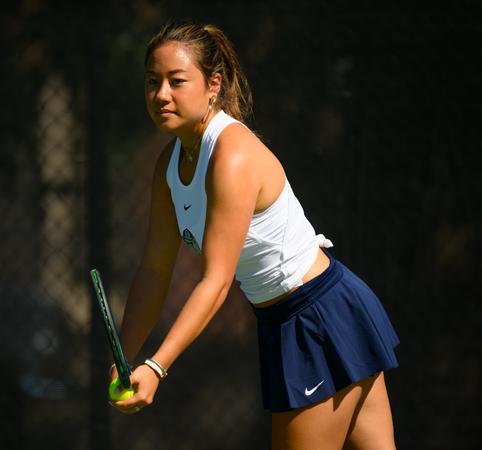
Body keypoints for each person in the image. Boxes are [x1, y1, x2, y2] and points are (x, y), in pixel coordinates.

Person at [109, 20, 400, 450]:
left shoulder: (232, 154)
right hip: (293, 320)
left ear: (214, 84)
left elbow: (217, 280)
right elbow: (154, 270)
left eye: (176, 81)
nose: (161, 95)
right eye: (153, 82)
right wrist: (124, 357)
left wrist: (157, 365)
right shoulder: (168, 166)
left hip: (318, 317)